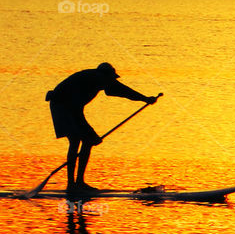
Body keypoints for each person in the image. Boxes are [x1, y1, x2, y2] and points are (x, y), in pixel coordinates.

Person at [46, 63, 158, 195]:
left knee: (88, 141)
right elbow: (121, 90)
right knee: (75, 140)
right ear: (106, 75)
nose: (112, 81)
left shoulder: (98, 78)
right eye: (111, 78)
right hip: (62, 106)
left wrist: (144, 99)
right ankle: (72, 185)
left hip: (74, 108)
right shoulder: (97, 77)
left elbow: (114, 90)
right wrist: (144, 98)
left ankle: (79, 182)